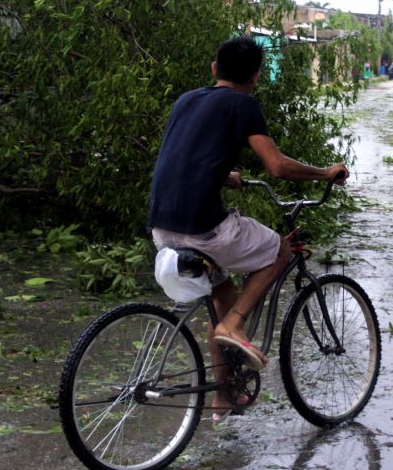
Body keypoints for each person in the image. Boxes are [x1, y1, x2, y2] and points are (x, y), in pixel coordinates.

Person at [147, 35, 349, 420]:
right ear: (255, 77)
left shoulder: (186, 100)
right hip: (202, 228)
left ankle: (223, 396)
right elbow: (276, 166)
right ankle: (235, 325)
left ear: (214, 69)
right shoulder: (243, 104)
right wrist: (326, 172)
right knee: (279, 249)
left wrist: (223, 175)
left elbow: (183, 159)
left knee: (222, 292)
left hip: (161, 226)